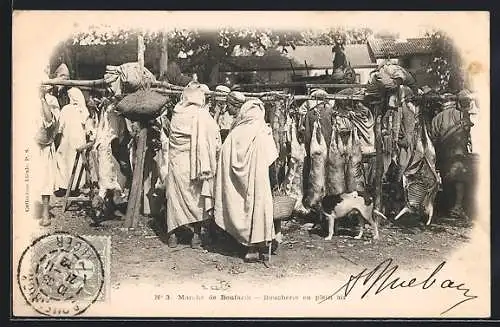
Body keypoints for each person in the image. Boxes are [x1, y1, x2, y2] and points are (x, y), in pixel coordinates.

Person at [214, 98, 278, 262]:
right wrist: (274, 182)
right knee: (259, 210)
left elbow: (223, 161)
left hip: (238, 186)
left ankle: (249, 248)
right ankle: (260, 247)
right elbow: (272, 160)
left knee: (242, 209)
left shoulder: (234, 134)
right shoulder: (263, 132)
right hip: (259, 181)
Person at [166, 82, 221, 248]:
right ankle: (196, 236)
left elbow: (172, 138)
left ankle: (173, 235)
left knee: (175, 198)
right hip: (195, 165)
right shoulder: (201, 114)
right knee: (196, 199)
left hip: (176, 163)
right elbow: (214, 136)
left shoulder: (176, 112)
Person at [430, 90, 475, 220]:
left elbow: (433, 136)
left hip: (443, 153)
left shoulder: (436, 118)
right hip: (458, 152)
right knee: (459, 180)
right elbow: (467, 129)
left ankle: (450, 206)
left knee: (446, 179)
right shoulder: (462, 115)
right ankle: (457, 207)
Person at [54, 87, 93, 196]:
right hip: (79, 141)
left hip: (67, 140)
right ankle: (75, 187)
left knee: (64, 161)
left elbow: (60, 127)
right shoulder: (83, 110)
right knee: (77, 162)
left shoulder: (66, 109)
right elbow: (88, 128)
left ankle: (64, 186)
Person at [34, 82, 60, 226]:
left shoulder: (52, 101)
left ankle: (45, 214)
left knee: (45, 179)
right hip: (28, 143)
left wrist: (42, 99)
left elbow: (50, 121)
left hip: (44, 146)